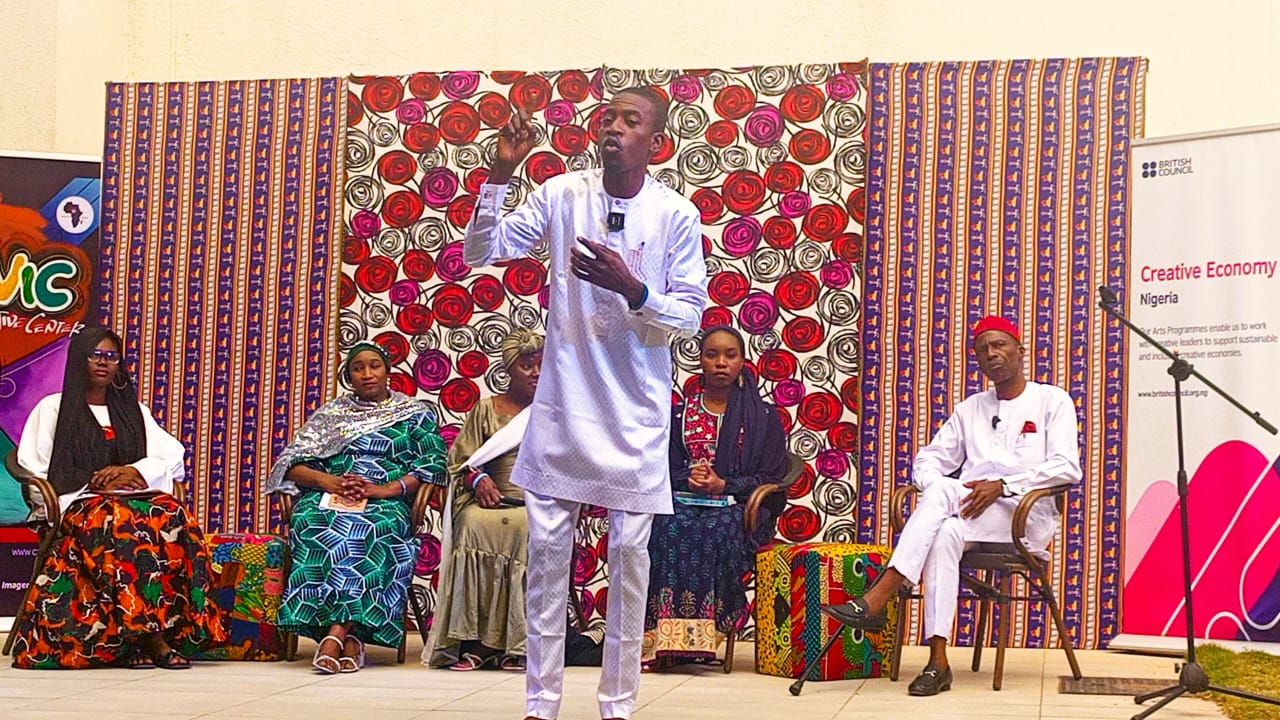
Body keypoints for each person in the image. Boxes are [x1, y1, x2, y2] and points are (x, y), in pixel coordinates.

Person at [464, 86, 708, 720]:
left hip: (636, 414)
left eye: (630, 121)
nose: (613, 129)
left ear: (657, 142)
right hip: (565, 407)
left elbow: (688, 315)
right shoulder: (562, 195)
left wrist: (635, 289)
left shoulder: (675, 214)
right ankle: (540, 704)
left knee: (628, 560)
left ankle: (617, 705)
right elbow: (480, 252)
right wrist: (501, 173)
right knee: (547, 561)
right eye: (607, 118)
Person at [820, 315, 1082, 696]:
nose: (991, 353)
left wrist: (1003, 486)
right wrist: (943, 492)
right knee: (943, 530)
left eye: (1000, 345)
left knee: (943, 495)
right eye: (983, 349)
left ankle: (880, 593)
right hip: (967, 512)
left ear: (1020, 350)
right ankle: (938, 661)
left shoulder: (1051, 401)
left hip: (1022, 516)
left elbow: (1067, 467)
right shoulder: (971, 409)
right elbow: (927, 461)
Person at [11, 326, 226, 669]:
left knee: (173, 514)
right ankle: (149, 638)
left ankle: (178, 629)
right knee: (121, 523)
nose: (103, 362)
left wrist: (132, 470)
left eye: (111, 356)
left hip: (130, 497)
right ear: (79, 359)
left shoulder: (133, 409)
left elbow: (172, 455)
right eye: (95, 355)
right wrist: (87, 485)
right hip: (79, 501)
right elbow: (33, 465)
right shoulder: (53, 408)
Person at [265, 340, 448, 674]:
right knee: (314, 524)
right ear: (348, 376)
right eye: (357, 368)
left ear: (387, 371)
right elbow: (289, 465)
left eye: (374, 366)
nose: (367, 374)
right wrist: (329, 482)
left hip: (385, 501)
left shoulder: (415, 414)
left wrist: (386, 489)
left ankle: (335, 635)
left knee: (370, 530)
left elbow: (434, 465)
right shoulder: (331, 415)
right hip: (329, 496)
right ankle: (351, 639)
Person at [643, 326, 787, 668]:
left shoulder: (765, 417)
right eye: (712, 355)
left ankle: (707, 631)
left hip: (740, 509)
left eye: (730, 355)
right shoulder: (679, 415)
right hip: (686, 502)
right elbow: (663, 467)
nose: (721, 362)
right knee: (667, 524)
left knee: (713, 530)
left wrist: (725, 485)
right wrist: (689, 479)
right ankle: (664, 637)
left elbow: (772, 477)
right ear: (701, 361)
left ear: (742, 362)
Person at [426, 328, 543, 671]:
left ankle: (516, 644)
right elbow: (460, 462)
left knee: (525, 528)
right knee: (472, 525)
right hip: (489, 501)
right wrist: (477, 478)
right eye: (526, 366)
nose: (536, 372)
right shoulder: (486, 409)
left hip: (534, 504)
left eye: (541, 364)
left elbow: (570, 463)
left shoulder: (555, 410)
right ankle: (474, 642)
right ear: (509, 369)